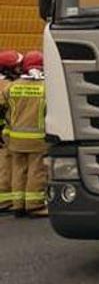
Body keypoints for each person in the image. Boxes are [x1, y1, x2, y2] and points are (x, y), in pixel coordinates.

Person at [0, 51, 47, 217]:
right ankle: (34, 205)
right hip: (37, 139)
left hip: (14, 138)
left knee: (17, 171)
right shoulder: (45, 88)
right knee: (36, 171)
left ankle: (18, 204)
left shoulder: (12, 87)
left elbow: (2, 106)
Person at [0, 50, 22, 215]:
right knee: (6, 166)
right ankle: (5, 200)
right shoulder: (6, 86)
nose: (20, 70)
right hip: (5, 134)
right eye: (17, 67)